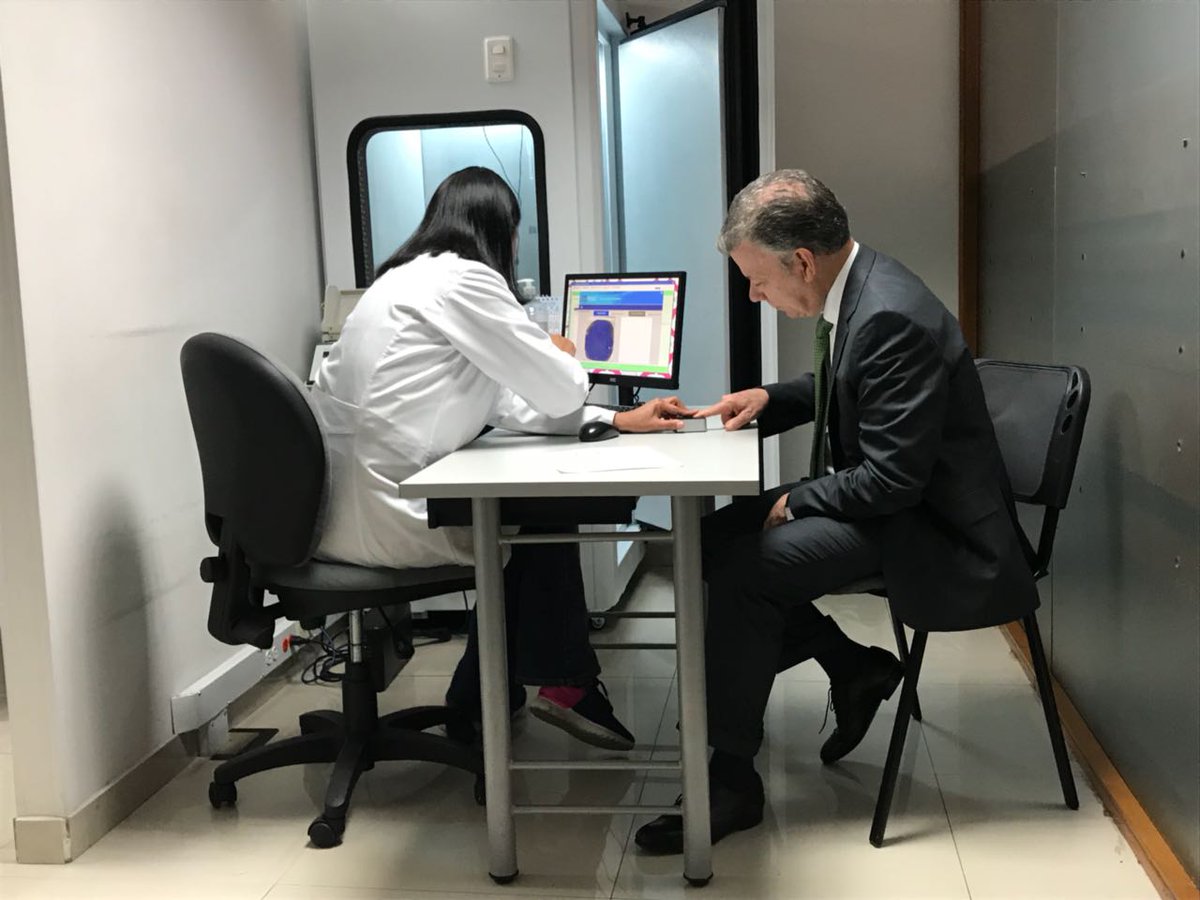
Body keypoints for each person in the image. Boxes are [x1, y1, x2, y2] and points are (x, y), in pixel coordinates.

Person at [634, 170, 1040, 853]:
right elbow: (851, 383)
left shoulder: (889, 316)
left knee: (746, 570)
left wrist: (797, 500)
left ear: (801, 261)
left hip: (935, 529)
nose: (754, 294)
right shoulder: (861, 287)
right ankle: (851, 667)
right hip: (900, 502)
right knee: (707, 541)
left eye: (756, 279)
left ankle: (730, 779)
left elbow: (892, 480)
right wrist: (772, 398)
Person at [310, 166, 686, 751]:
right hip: (396, 516)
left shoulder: (397, 279)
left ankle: (482, 699)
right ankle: (563, 684)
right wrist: (560, 349)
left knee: (526, 520)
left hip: (338, 511)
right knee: (544, 518)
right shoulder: (466, 279)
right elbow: (561, 389)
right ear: (502, 231)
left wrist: (615, 419)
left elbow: (502, 401)